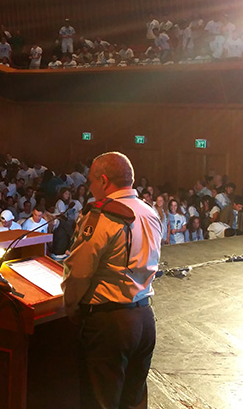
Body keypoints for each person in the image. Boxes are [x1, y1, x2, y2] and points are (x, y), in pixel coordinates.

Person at [62, 151, 161, 409]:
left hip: (110, 323)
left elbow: (80, 272)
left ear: (104, 181)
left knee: (100, 403)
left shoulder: (103, 215)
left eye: (92, 182)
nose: (91, 188)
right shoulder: (150, 213)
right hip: (144, 318)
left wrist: (71, 306)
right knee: (134, 401)